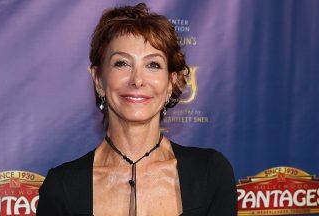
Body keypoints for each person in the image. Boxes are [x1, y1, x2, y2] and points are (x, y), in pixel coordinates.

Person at [37, 3, 237, 216]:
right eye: (122, 63)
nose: (138, 80)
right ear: (98, 80)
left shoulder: (211, 173)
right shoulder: (61, 188)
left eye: (153, 65)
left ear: (171, 82)